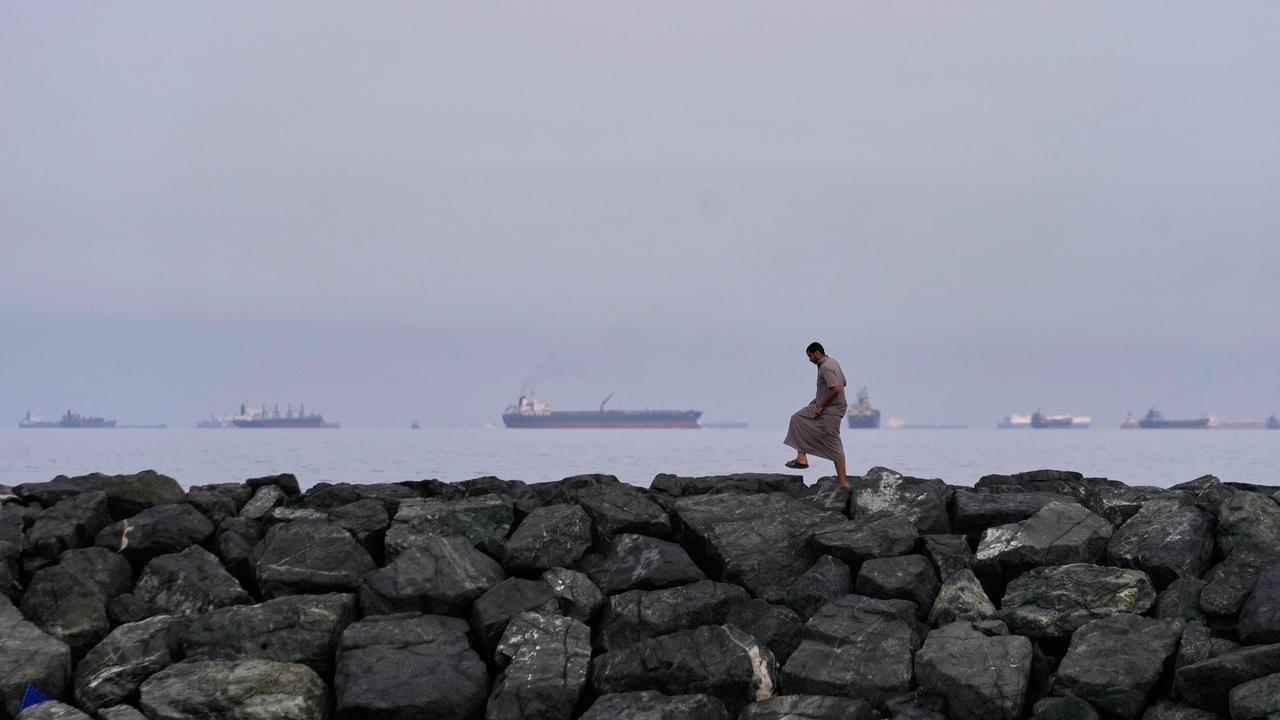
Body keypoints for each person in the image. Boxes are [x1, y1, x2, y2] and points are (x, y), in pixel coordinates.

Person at [783, 341, 849, 486]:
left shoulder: (825, 367)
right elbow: (843, 382)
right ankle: (801, 458)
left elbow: (836, 389)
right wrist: (818, 398)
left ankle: (843, 482)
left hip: (832, 409)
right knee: (797, 419)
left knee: (833, 442)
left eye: (810, 356)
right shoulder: (833, 362)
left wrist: (821, 405)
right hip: (827, 405)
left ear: (817, 353)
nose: (809, 359)